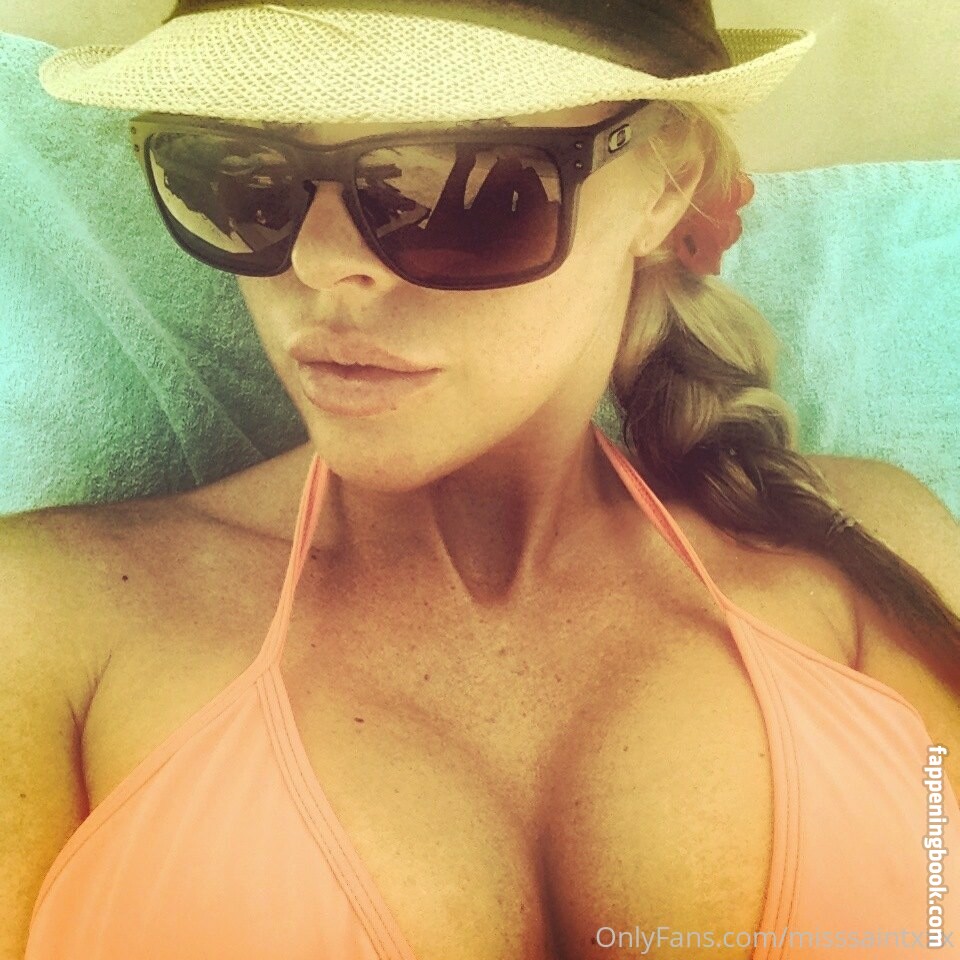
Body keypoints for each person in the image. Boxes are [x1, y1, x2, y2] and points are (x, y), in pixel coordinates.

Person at [3, 1, 959, 957]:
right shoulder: (50, 619)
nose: (319, 262)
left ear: (666, 183)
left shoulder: (874, 554)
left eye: (451, 188)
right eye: (248, 180)